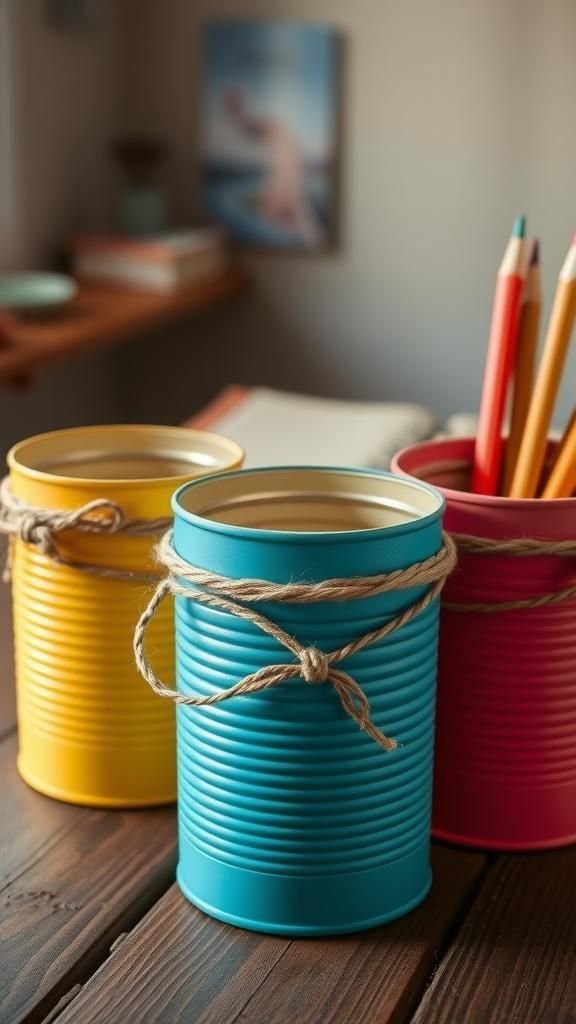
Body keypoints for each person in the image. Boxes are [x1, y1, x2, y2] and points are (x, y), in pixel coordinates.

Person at [224, 89, 322, 247]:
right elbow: (250, 129)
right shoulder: (280, 135)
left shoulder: (277, 130)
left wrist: (238, 113)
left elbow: (251, 128)